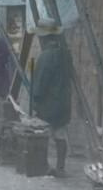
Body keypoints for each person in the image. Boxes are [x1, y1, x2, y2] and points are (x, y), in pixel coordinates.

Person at [29, 18, 73, 178]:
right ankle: (60, 167)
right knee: (60, 135)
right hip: (63, 101)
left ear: (44, 37)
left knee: (44, 134)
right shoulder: (65, 54)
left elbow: (40, 85)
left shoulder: (45, 57)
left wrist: (35, 100)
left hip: (48, 104)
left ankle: (44, 165)